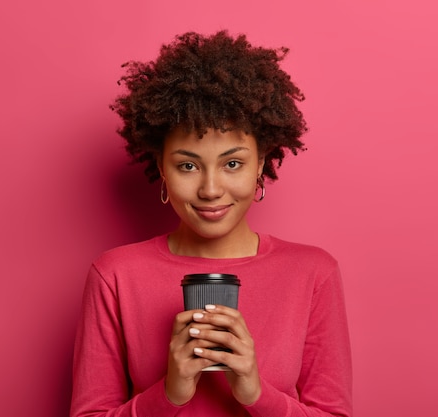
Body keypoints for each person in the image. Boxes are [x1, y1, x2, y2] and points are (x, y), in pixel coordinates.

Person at [70, 31, 352, 417]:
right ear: (161, 168)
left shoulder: (313, 273)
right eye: (187, 165)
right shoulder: (115, 275)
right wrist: (169, 393)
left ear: (261, 163)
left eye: (232, 163)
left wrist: (254, 392)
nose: (210, 188)